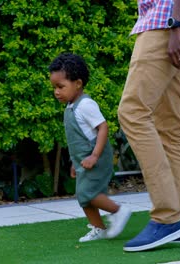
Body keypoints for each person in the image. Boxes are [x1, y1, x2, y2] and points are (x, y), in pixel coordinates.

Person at [117, 0, 180, 252]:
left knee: (133, 112)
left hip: (167, 21)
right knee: (170, 125)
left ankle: (167, 216)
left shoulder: (171, 23)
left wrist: (176, 24)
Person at [49, 53, 132, 243]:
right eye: (54, 87)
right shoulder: (70, 107)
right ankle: (99, 228)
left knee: (89, 194)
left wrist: (95, 155)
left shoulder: (85, 104)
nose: (56, 92)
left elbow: (103, 128)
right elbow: (79, 140)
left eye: (61, 87)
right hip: (83, 161)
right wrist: (74, 162)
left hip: (97, 157)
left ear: (78, 84)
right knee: (83, 197)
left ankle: (119, 211)